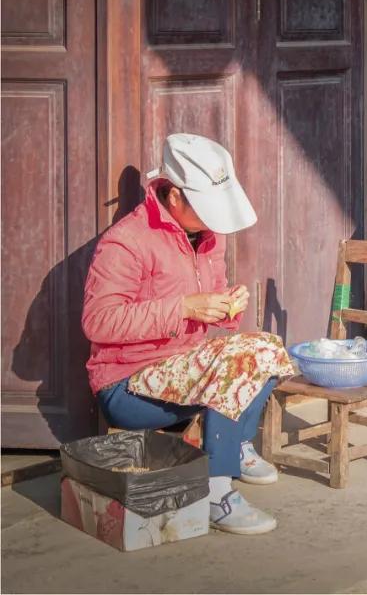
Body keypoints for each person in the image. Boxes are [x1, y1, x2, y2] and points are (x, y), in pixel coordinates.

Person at [83, 134, 295, 536]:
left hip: (187, 369)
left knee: (267, 348)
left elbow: (211, 320)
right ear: (175, 196)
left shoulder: (207, 237)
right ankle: (215, 490)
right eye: (205, 207)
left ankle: (237, 444)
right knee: (236, 362)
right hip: (127, 384)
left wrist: (225, 306)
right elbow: (99, 321)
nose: (214, 219)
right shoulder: (125, 242)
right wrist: (184, 307)